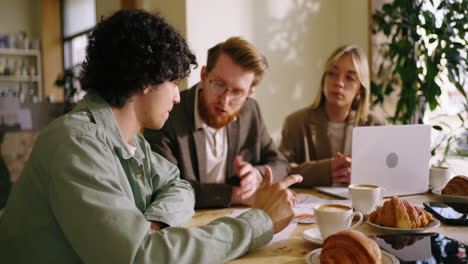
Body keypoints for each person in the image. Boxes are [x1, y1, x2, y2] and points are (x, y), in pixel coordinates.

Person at [0, 10, 302, 263]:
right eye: (174, 83)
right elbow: (141, 256)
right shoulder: (76, 142)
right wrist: (258, 221)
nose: (176, 97)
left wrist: (154, 223)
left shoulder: (132, 141)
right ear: (147, 79)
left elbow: (179, 185)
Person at [145, 37, 290, 208]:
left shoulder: (251, 111)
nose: (225, 100)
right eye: (219, 84)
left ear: (249, 93)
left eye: (237, 92)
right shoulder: (167, 114)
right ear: (204, 75)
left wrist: (257, 175)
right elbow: (165, 187)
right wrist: (236, 195)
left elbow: (281, 164)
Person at [279, 45, 385, 187]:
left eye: (349, 78)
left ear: (360, 88)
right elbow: (281, 169)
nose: (339, 83)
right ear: (324, 79)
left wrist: (361, 175)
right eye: (332, 73)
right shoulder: (296, 122)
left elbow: (385, 172)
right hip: (311, 205)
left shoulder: (374, 124)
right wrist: (326, 169)